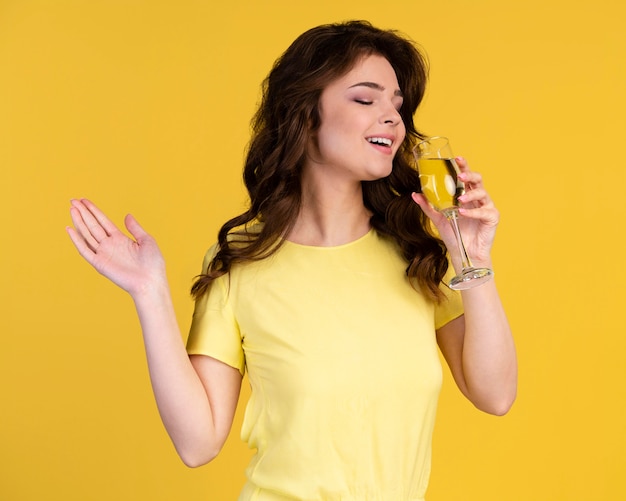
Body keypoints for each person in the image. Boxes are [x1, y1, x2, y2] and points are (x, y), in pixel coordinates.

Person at [67, 20, 517, 501]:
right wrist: (150, 293)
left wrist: (473, 256)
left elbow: (494, 394)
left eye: (397, 105)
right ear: (305, 114)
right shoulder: (242, 260)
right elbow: (198, 443)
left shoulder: (414, 254)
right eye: (366, 99)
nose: (392, 117)